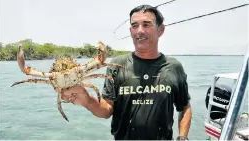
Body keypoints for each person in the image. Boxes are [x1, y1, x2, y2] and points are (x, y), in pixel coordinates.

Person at [57, 4, 192, 140]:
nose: (140, 31)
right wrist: (87, 100)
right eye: (135, 26)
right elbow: (106, 110)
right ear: (130, 31)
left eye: (146, 24)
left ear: (160, 29)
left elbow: (184, 106)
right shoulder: (117, 65)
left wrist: (183, 137)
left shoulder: (174, 67)